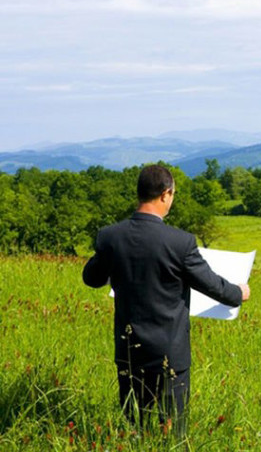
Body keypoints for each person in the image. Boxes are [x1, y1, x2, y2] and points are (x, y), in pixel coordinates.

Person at [82, 164, 250, 436]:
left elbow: (91, 278)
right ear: (165, 194)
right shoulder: (180, 242)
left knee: (134, 424)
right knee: (173, 430)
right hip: (169, 352)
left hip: (128, 349)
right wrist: (238, 293)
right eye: (172, 195)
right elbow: (211, 284)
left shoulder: (110, 237)